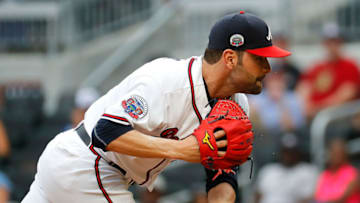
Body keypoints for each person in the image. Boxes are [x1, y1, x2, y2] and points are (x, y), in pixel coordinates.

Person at [22, 11, 291, 203]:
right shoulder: (167, 80)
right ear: (230, 58)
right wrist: (183, 150)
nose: (268, 68)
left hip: (92, 170)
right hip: (86, 163)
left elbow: (222, 171)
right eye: (260, 59)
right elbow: (105, 132)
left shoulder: (235, 103)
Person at [297, 23, 360, 120]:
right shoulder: (317, 66)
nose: (332, 46)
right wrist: (306, 105)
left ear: (341, 43)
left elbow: (346, 95)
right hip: (315, 116)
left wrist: (318, 108)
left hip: (338, 117)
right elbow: (304, 87)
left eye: (335, 42)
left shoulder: (350, 66)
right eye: (329, 42)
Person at [253, 133, 318, 203]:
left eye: (292, 152)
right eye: (285, 151)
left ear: (298, 152)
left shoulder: (308, 171)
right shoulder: (268, 170)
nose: (288, 155)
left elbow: (309, 198)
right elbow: (258, 195)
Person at [313, 138, 360, 203]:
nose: (336, 156)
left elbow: (342, 198)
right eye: (334, 153)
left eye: (339, 153)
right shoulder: (325, 174)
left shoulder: (353, 173)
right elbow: (317, 196)